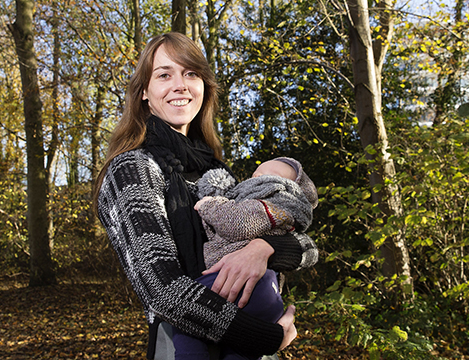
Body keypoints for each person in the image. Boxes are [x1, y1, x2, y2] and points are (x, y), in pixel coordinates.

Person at [94, 32, 319, 360]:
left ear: (203, 87)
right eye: (164, 75)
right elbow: (163, 292)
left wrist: (264, 248)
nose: (180, 85)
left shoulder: (217, 173)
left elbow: (309, 249)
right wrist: (263, 337)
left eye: (190, 73)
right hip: (185, 346)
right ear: (144, 91)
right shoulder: (132, 168)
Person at [171, 157, 319, 359]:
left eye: (266, 174)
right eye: (255, 173)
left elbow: (239, 223)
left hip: (244, 285)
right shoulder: (281, 207)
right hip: (265, 294)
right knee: (240, 352)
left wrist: (210, 205)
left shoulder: (274, 201)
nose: (256, 176)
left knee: (185, 318)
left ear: (288, 186)